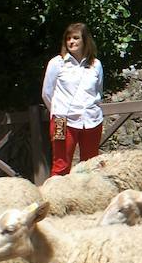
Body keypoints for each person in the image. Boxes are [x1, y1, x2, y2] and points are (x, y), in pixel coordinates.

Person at [41, 22, 104, 176]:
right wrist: (58, 111)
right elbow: (47, 93)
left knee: (91, 165)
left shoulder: (95, 65)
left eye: (76, 38)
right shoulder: (57, 63)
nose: (71, 42)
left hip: (91, 120)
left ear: (85, 40)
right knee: (61, 165)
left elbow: (98, 92)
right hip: (61, 121)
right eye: (68, 38)